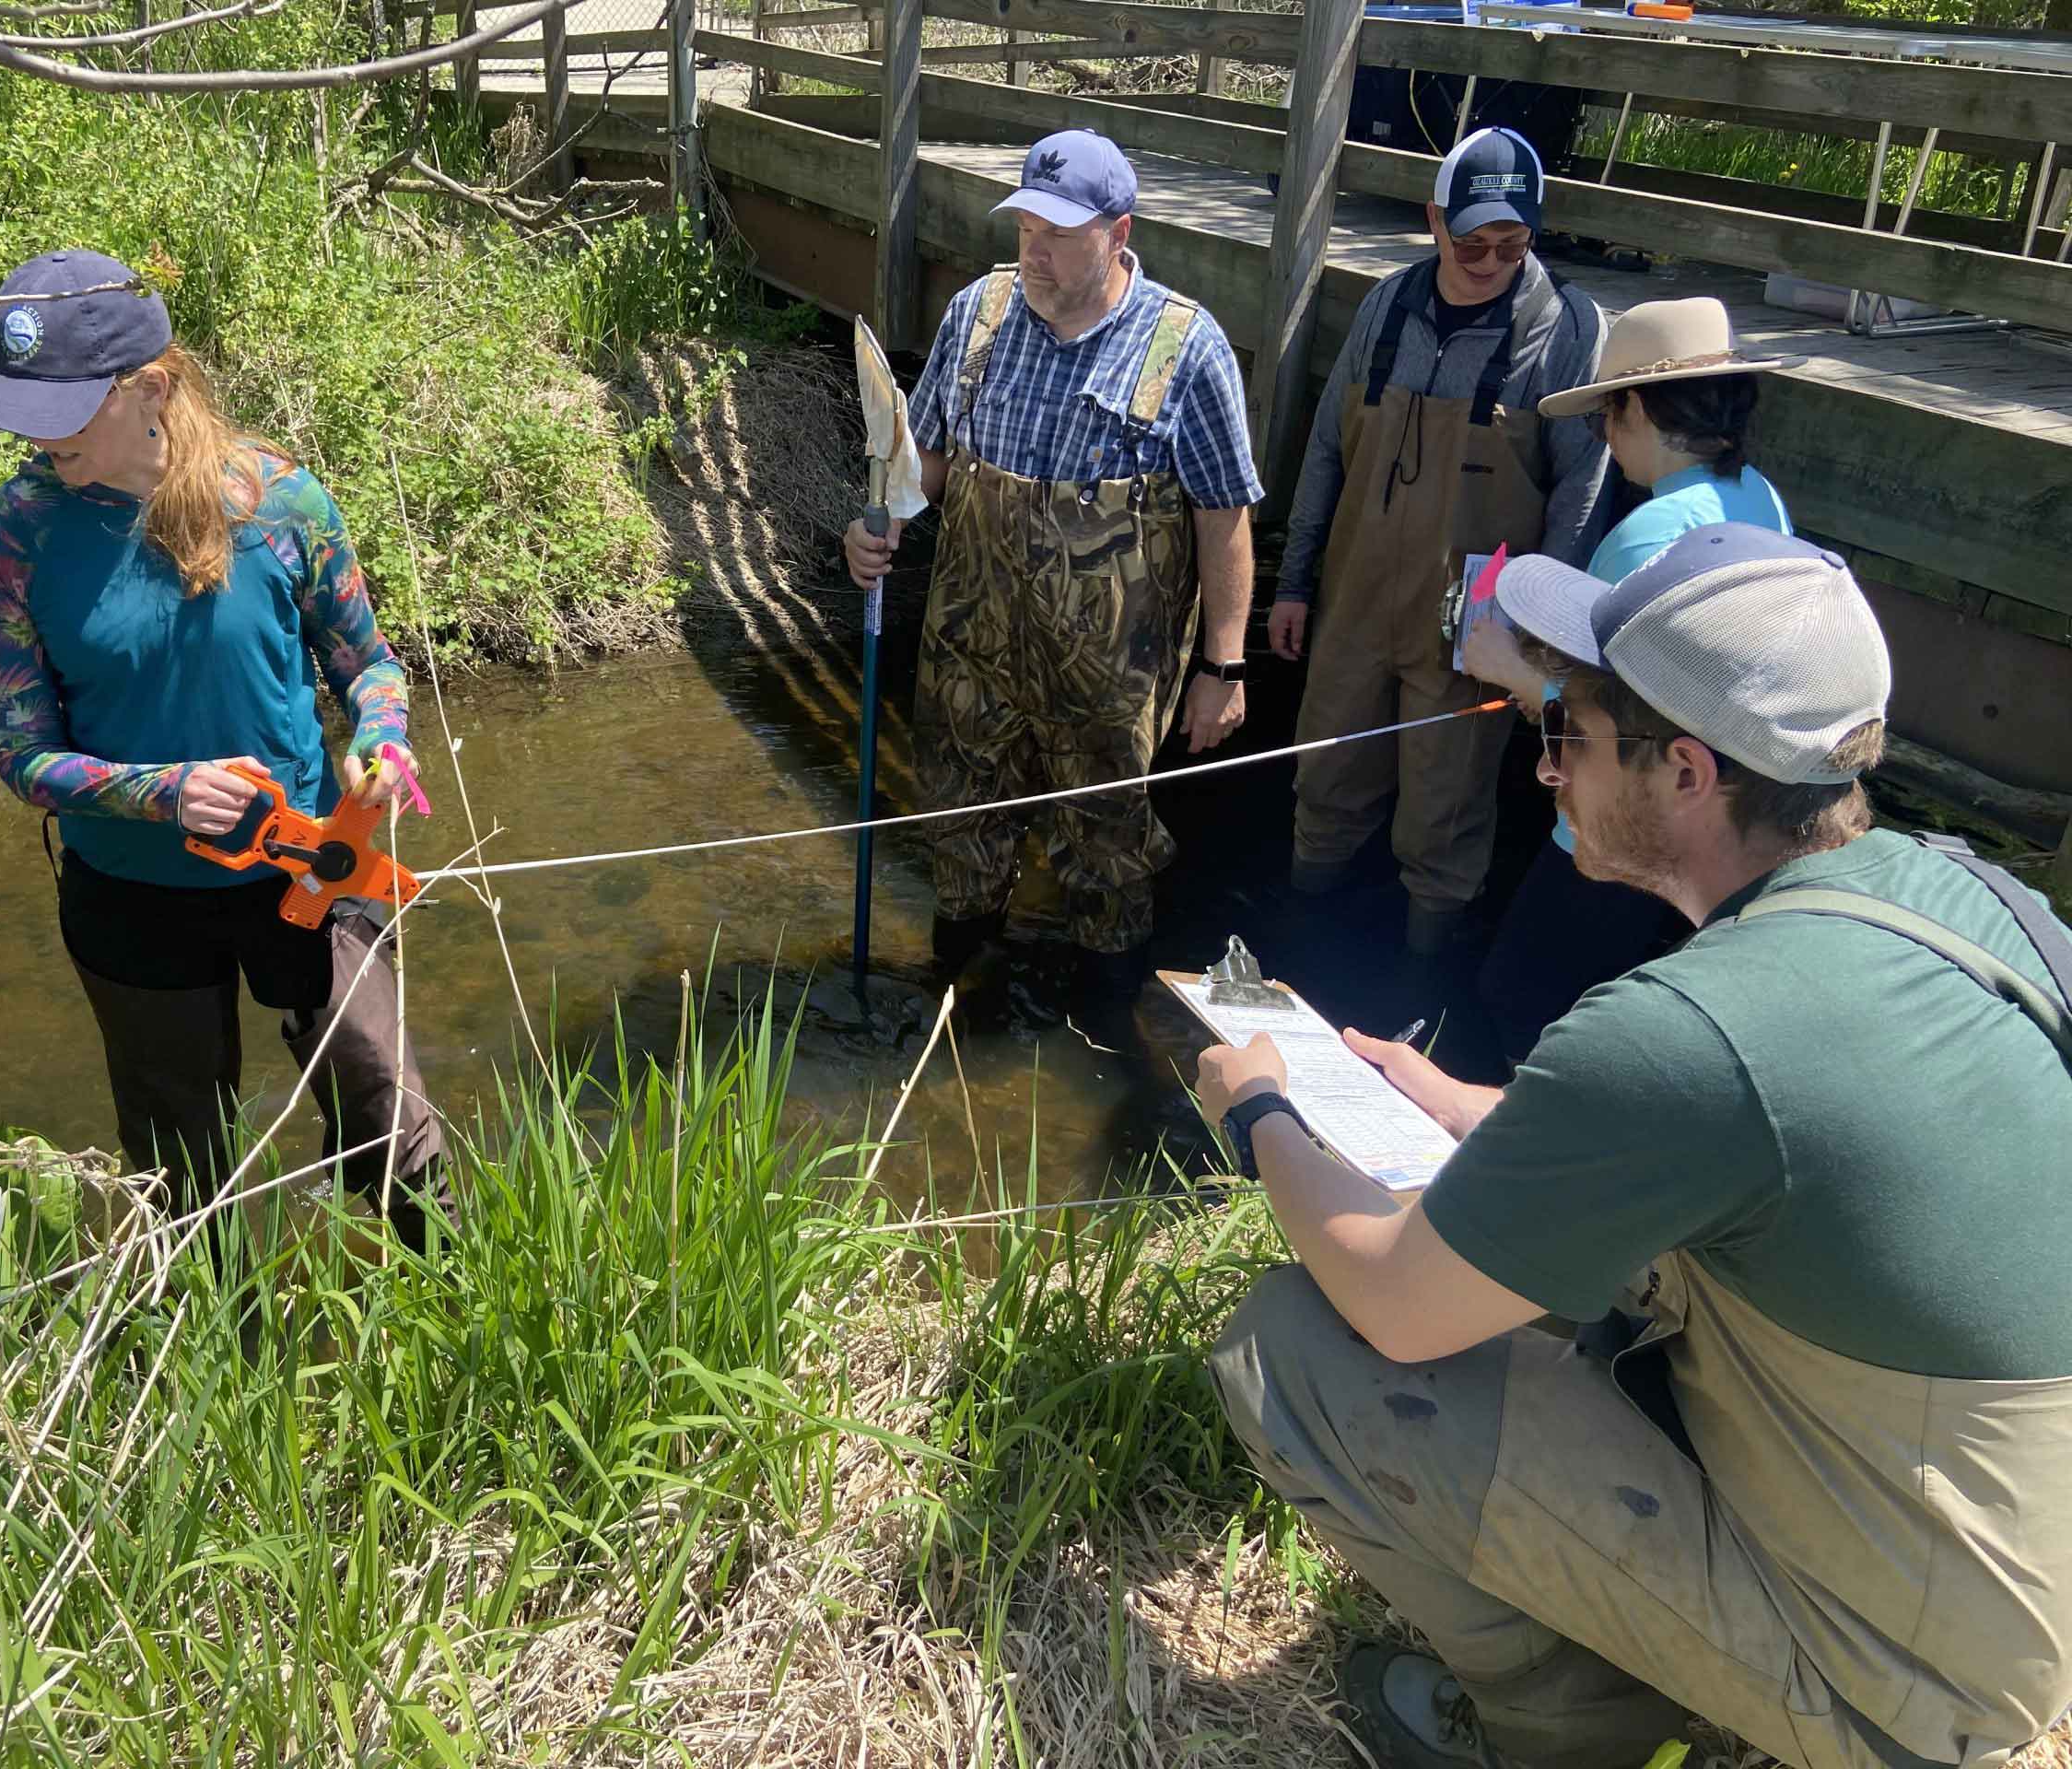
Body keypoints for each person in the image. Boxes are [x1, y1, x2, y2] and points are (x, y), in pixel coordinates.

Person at [1200, 525, 2072, 1769]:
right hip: (2012, 1579)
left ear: (1687, 773)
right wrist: (1462, 1102)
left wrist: (1259, 1109)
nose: (1545, 773)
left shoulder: (1692, 1033)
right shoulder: (1971, 898)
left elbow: (1394, 1302)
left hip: (1910, 1688)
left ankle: (1569, 1730)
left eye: (1568, 736)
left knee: (1294, 1354)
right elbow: (1784, 1144)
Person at [0, 249, 449, 1253]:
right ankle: (217, 1359)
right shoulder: (7, 538)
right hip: (131, 898)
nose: (33, 438)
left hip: (313, 869)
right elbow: (21, 755)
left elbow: (371, 667)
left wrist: (385, 745)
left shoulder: (278, 501)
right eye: (22, 410)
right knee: (179, 1160)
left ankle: (457, 1306)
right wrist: (158, 793)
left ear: (153, 388)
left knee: (387, 1112)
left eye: (62, 412)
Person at [842, 129, 1264, 1023]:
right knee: (959, 830)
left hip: (1107, 682)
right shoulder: (979, 314)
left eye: (1059, 234)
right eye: (1026, 227)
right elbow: (928, 464)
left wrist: (1223, 668)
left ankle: (1101, 1030)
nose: (1034, 250)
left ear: (1118, 233)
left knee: (1107, 853)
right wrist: (874, 524)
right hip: (973, 654)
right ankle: (960, 997)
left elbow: (1224, 518)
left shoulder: (1185, 349)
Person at [1274, 127, 1610, 954]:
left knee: (1443, 820)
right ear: (1434, 220)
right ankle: (1298, 944)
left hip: (1474, 634)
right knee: (1324, 788)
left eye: (1513, 243)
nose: (1491, 261)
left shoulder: (1565, 328)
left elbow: (1583, 489)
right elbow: (1324, 449)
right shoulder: (1387, 304)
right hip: (1353, 605)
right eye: (1472, 242)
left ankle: (1426, 981)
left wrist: (1540, 637)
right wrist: (1293, 582)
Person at [1465, 296, 1801, 1065]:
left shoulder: (1647, 534)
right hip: (1713, 815)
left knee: (1514, 992)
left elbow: (1593, 712)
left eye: (1603, 419)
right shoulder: (1761, 499)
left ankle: (1512, 1151)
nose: (1605, 441)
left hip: (1621, 818)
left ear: (1638, 409)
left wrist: (1504, 666)